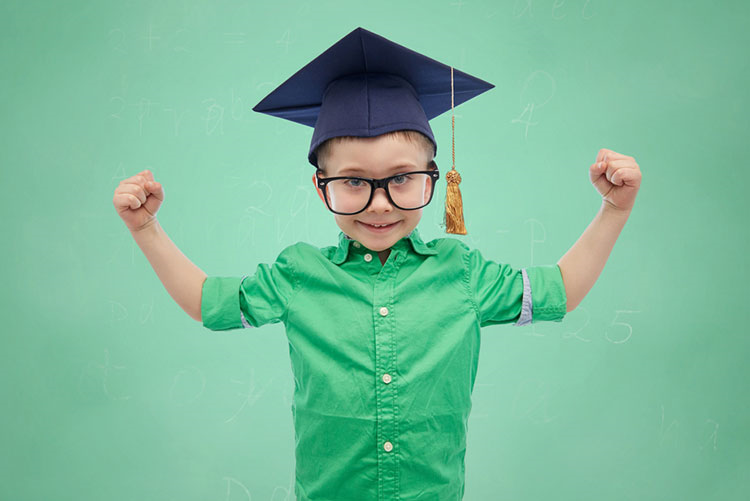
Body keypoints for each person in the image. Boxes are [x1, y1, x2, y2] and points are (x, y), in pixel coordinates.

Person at [112, 27, 641, 501]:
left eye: (403, 178)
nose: (381, 203)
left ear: (437, 177)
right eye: (353, 182)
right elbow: (211, 304)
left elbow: (560, 291)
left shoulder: (462, 272)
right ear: (322, 189)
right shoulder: (298, 274)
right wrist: (145, 228)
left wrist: (613, 210)